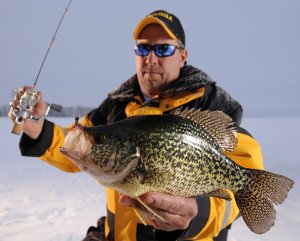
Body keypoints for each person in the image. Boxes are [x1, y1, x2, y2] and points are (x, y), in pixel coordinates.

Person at [8, 10, 264, 241]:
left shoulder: (213, 104)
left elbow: (246, 170)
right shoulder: (116, 105)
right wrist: (37, 128)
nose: (150, 58)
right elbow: (80, 147)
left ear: (183, 56)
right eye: (143, 49)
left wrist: (198, 213)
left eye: (162, 49)